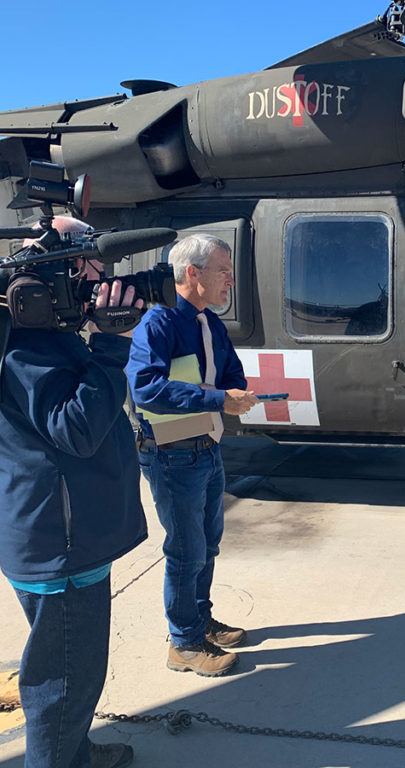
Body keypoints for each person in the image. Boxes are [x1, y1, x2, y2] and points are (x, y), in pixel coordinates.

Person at [0, 216, 147, 768]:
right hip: (61, 546)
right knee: (63, 683)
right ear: (63, 268)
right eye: (96, 265)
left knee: (71, 672)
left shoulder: (28, 334)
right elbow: (76, 429)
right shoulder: (29, 347)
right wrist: (112, 345)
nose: (104, 280)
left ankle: (79, 753)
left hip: (61, 535)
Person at [126, 234, 260, 676]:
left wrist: (235, 393)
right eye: (223, 271)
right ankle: (183, 644)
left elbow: (229, 372)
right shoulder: (159, 324)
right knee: (186, 550)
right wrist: (216, 399)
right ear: (192, 273)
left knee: (208, 544)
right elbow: (145, 388)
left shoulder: (210, 323)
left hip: (207, 448)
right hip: (171, 455)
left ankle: (200, 621)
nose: (230, 281)